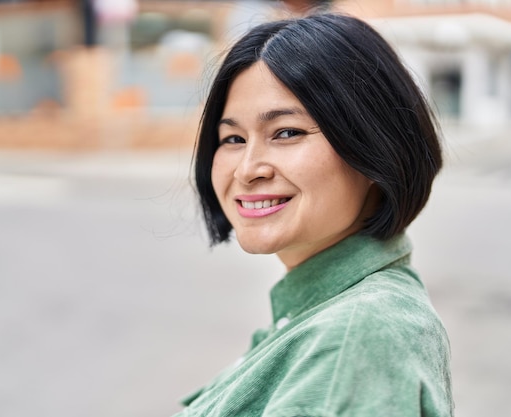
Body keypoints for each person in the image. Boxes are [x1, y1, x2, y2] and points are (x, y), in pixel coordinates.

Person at [174, 12, 453, 417]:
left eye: (286, 132)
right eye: (232, 138)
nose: (248, 169)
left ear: (375, 144)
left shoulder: (357, 334)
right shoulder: (320, 314)